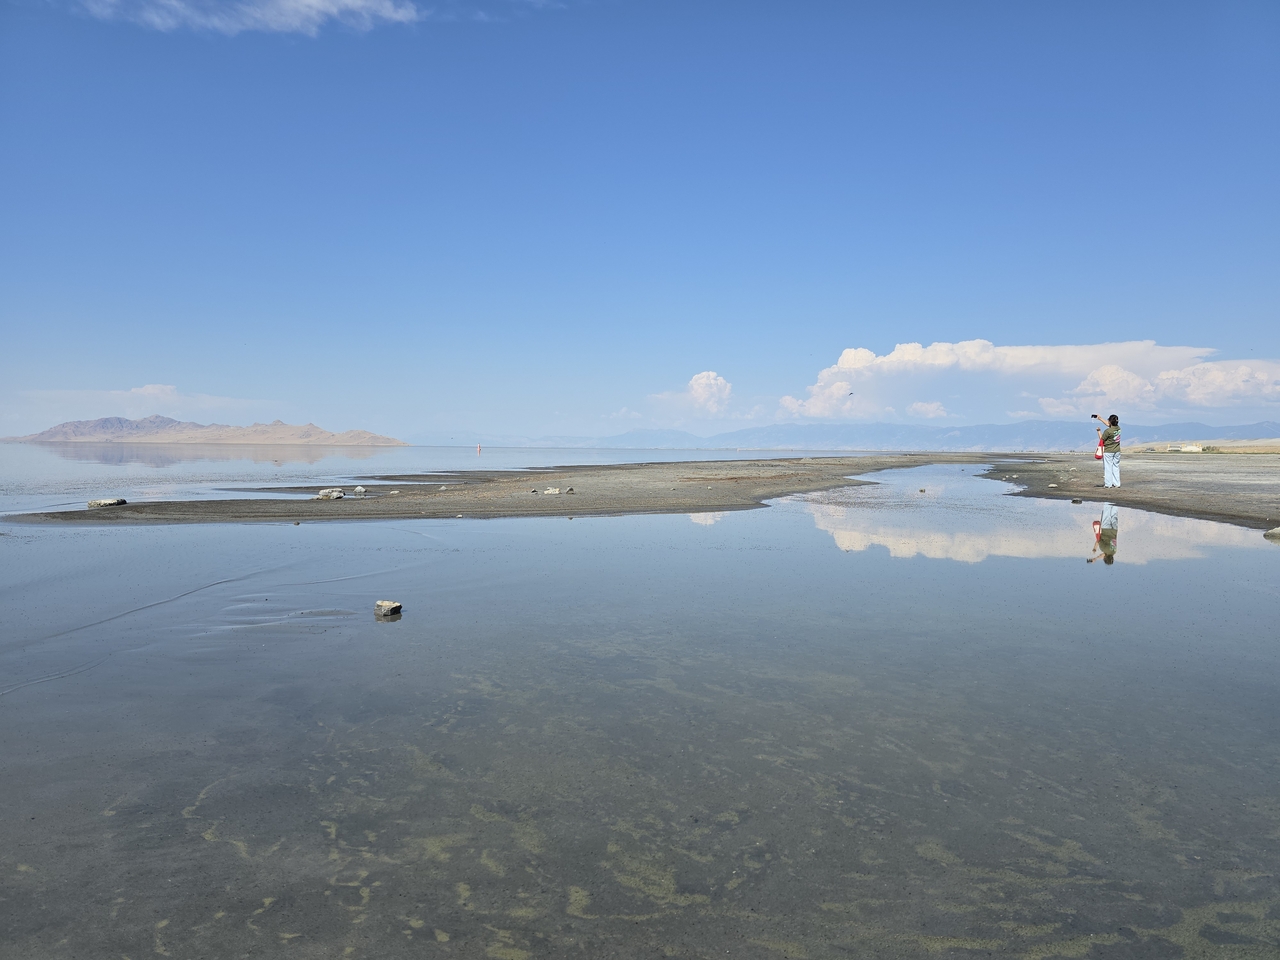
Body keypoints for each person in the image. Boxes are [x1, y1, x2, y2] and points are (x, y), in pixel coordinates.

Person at [1093, 413, 1121, 488]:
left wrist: (1098, 431)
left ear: (1109, 421)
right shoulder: (1118, 428)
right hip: (1117, 451)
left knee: (1108, 467)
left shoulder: (1108, 431)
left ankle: (1108, 484)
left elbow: (1102, 439)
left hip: (1108, 451)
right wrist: (1100, 418)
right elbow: (1109, 424)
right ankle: (1117, 483)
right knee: (1116, 467)